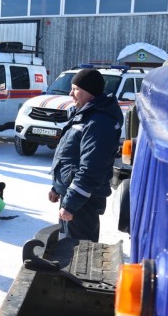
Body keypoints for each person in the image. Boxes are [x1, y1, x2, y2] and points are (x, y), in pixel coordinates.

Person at [48, 68, 123, 241]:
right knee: (66, 247)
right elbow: (68, 154)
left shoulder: (99, 123)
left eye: (75, 89)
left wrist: (71, 204)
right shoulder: (84, 114)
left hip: (83, 202)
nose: (70, 93)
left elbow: (91, 169)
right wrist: (57, 186)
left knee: (79, 252)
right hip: (72, 196)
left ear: (89, 92)